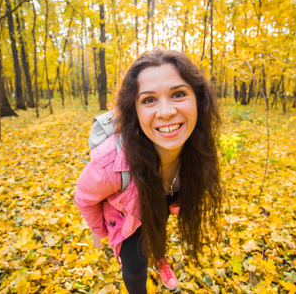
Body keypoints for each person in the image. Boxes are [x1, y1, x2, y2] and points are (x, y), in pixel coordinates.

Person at [75, 49, 222, 293]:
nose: (165, 112)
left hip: (160, 204)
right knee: (134, 267)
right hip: (127, 219)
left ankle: (159, 257)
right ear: (134, 110)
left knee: (159, 230)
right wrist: (98, 231)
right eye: (149, 99)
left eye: (178, 94)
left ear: (198, 100)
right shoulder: (111, 162)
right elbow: (84, 196)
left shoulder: (197, 145)